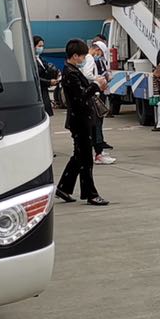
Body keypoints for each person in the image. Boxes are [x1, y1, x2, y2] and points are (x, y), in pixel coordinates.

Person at [55, 39, 109, 206]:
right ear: (75, 56)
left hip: (81, 119)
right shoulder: (70, 73)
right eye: (83, 56)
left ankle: (64, 187)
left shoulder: (72, 70)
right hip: (80, 120)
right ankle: (90, 194)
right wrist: (96, 85)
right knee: (85, 159)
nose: (85, 59)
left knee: (79, 156)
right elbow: (81, 96)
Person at [86, 39, 115, 164]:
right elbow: (87, 74)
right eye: (101, 53)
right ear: (97, 50)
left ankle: (98, 151)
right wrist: (98, 79)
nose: (100, 56)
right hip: (94, 93)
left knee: (96, 124)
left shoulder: (90, 59)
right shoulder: (90, 59)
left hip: (95, 92)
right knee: (96, 123)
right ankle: (98, 153)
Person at [33, 35, 57, 117]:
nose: (41, 48)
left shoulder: (41, 59)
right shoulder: (31, 61)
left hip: (44, 91)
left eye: (42, 46)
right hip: (37, 93)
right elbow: (34, 77)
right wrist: (49, 82)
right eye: (39, 46)